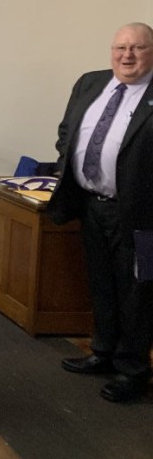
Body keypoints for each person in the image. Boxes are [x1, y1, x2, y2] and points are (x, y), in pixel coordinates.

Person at [47, 22, 153, 402]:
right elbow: (67, 130)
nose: (127, 55)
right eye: (120, 48)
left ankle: (133, 370)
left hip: (141, 216)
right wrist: (66, 160)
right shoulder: (90, 83)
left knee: (137, 293)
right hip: (91, 205)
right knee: (101, 283)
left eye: (138, 48)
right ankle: (103, 352)